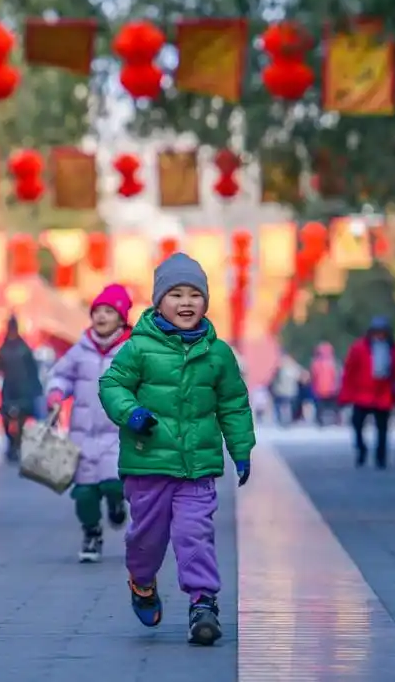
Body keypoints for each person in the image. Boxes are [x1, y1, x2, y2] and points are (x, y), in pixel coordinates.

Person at [99, 253, 255, 647]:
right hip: (148, 464)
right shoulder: (139, 348)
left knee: (195, 534)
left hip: (197, 468)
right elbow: (111, 385)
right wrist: (131, 413)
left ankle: (203, 603)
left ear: (205, 301)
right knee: (146, 540)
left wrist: (241, 448)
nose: (186, 303)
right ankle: (143, 581)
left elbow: (233, 404)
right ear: (158, 302)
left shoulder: (217, 353)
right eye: (176, 295)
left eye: (195, 296)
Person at [45, 284, 133, 564]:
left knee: (114, 483)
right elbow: (60, 375)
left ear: (121, 318)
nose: (102, 317)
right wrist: (57, 393)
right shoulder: (80, 349)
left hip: (118, 435)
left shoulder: (132, 350)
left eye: (109, 311)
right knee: (84, 492)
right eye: (97, 311)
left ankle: (117, 505)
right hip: (81, 436)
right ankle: (91, 532)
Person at [338, 316, 395, 469]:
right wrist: (345, 395)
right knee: (357, 424)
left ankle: (381, 456)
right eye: (377, 332)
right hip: (362, 394)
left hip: (383, 394)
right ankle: (361, 449)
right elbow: (349, 372)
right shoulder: (359, 348)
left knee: (382, 428)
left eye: (382, 332)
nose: (380, 336)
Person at [0, 316, 43, 462]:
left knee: (21, 419)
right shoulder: (4, 349)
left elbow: (32, 369)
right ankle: (10, 444)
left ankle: (17, 445)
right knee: (6, 418)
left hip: (23, 388)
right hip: (9, 388)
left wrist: (36, 388)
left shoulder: (24, 349)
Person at [309, 342, 342, 427]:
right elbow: (337, 375)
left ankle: (319, 421)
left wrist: (313, 387)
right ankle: (337, 420)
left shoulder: (315, 363)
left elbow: (313, 376)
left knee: (320, 407)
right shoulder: (333, 363)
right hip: (332, 389)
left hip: (320, 389)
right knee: (335, 406)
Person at [269, 355, 303, 425]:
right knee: (288, 406)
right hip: (291, 392)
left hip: (281, 391)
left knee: (281, 405)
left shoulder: (280, 368)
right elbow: (301, 377)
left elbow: (274, 379)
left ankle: (282, 419)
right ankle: (288, 419)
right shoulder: (294, 368)